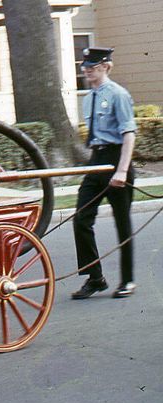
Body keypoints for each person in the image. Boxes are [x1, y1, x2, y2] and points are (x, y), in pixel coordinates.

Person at [72, 47, 137, 300]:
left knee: (123, 223)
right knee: (80, 218)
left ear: (106, 67)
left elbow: (129, 135)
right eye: (85, 66)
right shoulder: (88, 98)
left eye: (93, 66)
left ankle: (128, 280)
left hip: (117, 159)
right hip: (97, 161)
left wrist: (121, 170)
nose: (87, 70)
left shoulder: (119, 95)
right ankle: (95, 277)